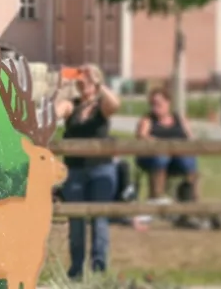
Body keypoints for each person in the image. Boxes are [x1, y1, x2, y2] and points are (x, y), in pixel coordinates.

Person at [54, 64, 119, 280]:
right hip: (75, 171)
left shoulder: (102, 105)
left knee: (99, 219)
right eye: (81, 81)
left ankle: (99, 268)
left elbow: (114, 105)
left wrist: (98, 84)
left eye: (88, 81)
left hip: (101, 169)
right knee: (76, 223)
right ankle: (76, 270)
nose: (84, 85)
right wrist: (61, 88)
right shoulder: (72, 105)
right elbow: (53, 114)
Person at [133, 90, 199, 228]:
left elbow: (191, 138)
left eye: (159, 103)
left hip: (177, 156)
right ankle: (157, 198)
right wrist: (160, 144)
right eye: (153, 104)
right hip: (151, 157)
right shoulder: (147, 120)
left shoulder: (180, 119)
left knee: (189, 162)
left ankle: (189, 206)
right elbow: (141, 137)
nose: (155, 107)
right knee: (161, 158)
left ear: (168, 103)